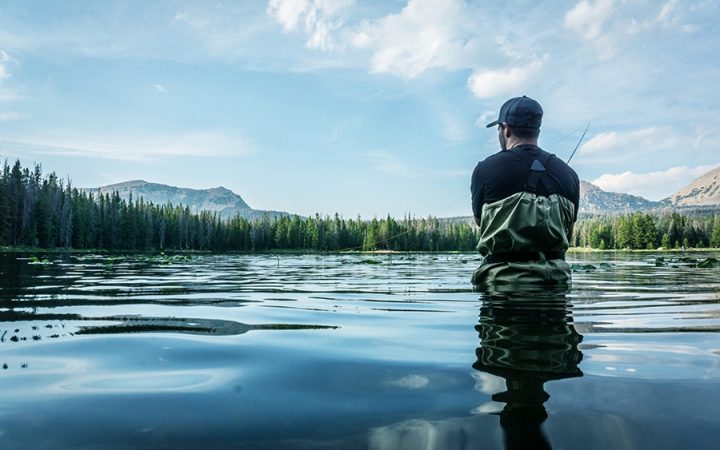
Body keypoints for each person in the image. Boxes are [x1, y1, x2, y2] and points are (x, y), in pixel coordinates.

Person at [470, 95, 580, 287]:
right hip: (556, 289)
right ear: (537, 130)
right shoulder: (569, 175)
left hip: (501, 290)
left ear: (506, 129)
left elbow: (481, 223)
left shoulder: (485, 170)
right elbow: (568, 233)